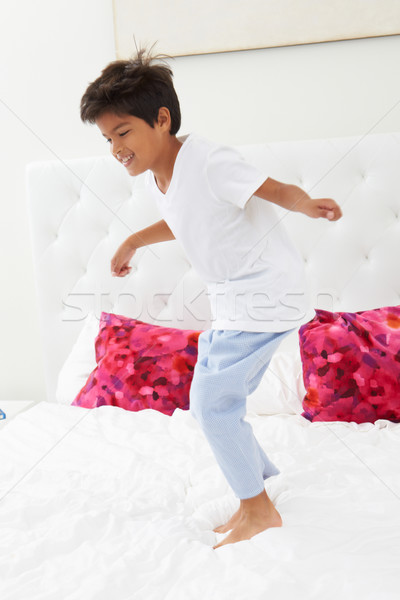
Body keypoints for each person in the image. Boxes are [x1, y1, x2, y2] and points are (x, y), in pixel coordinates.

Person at [80, 49, 342, 549]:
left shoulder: (206, 159)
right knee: (213, 402)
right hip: (236, 299)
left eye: (124, 133)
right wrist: (134, 239)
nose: (116, 148)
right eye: (108, 138)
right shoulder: (161, 177)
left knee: (212, 404)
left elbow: (271, 188)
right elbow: (185, 220)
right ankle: (259, 480)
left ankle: (257, 509)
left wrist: (306, 203)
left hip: (263, 292)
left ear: (161, 120)